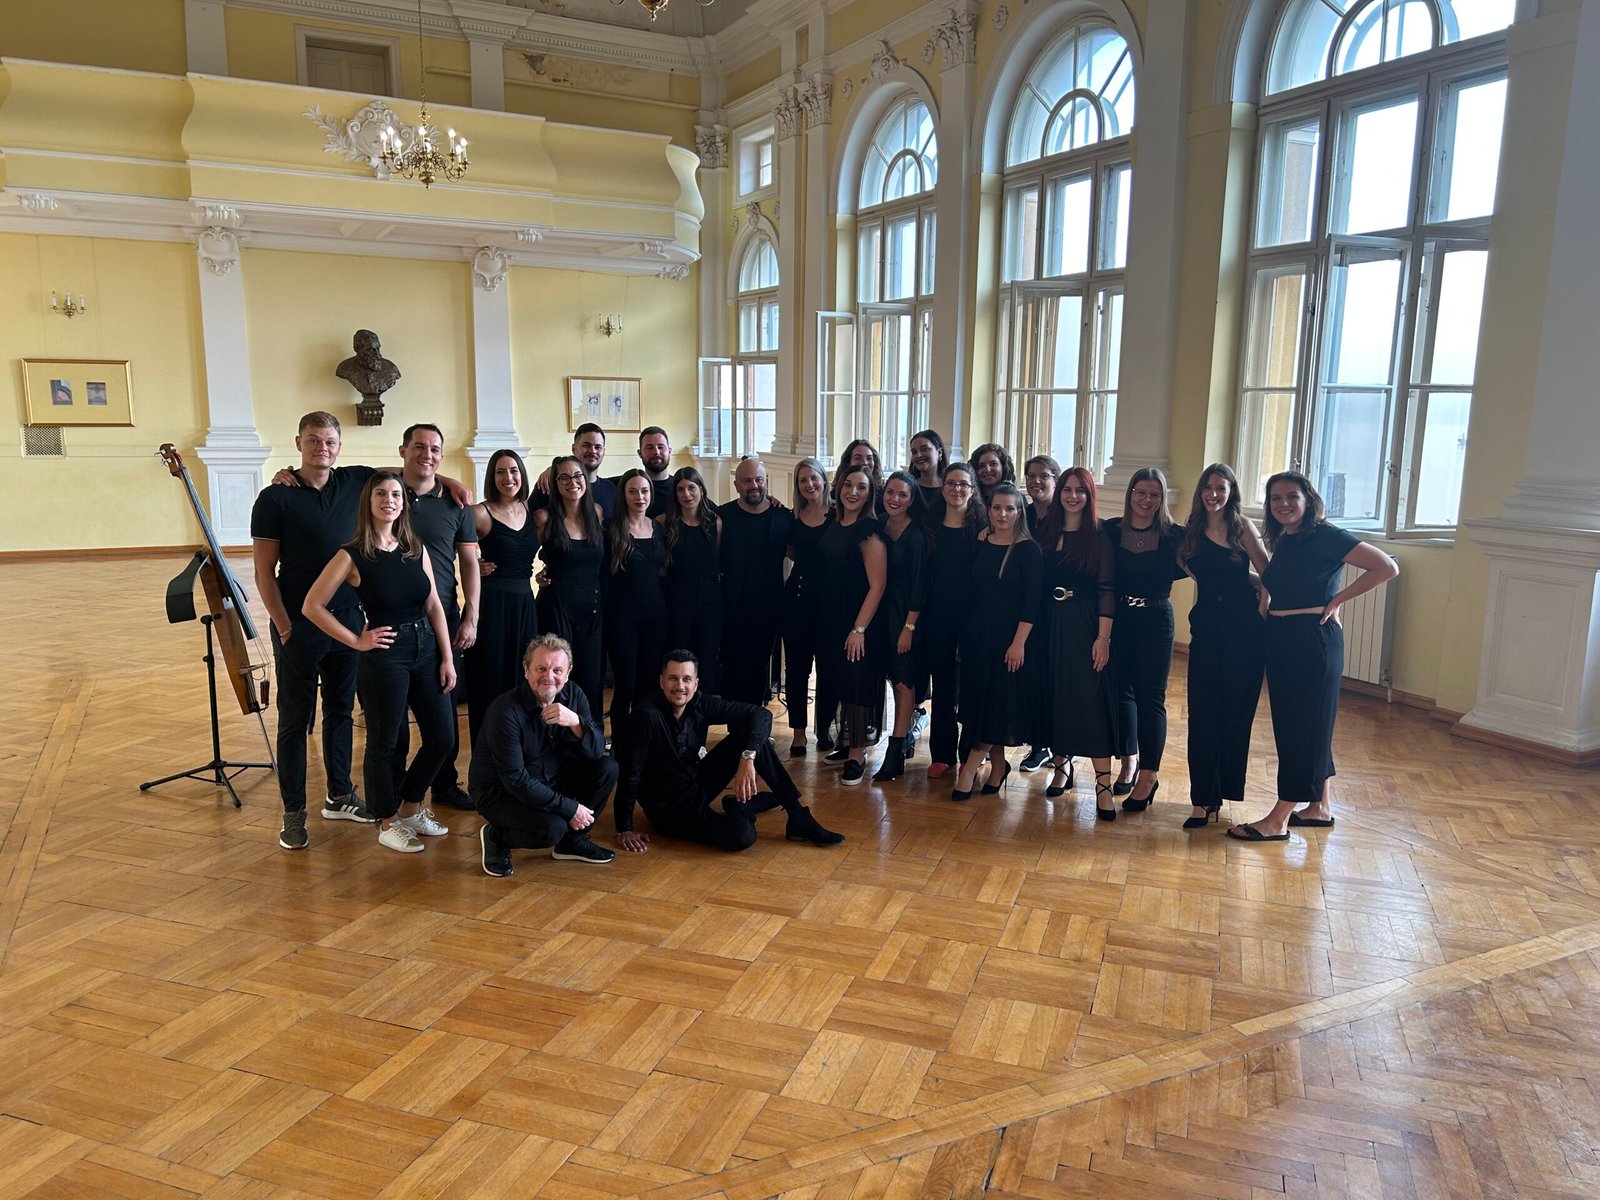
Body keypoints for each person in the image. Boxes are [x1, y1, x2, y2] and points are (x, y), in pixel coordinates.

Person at [1229, 472, 1398, 841]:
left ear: (1308, 499)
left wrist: (1338, 600)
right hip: (1282, 638)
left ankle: (1278, 818)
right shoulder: (1287, 539)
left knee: (1301, 727)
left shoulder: (1326, 535)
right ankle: (1319, 806)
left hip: (1311, 639)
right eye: (1276, 498)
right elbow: (1282, 584)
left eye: (1292, 496)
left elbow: (1386, 567)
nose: (1283, 504)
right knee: (1308, 723)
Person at [302, 472, 456, 853]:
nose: (389, 500)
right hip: (385, 654)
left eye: (396, 494)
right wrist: (356, 640)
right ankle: (387, 821)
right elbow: (312, 606)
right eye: (381, 494)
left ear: (403, 503)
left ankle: (410, 807)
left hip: (426, 647)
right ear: (368, 503)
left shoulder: (413, 547)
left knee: (442, 737)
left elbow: (434, 605)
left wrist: (447, 657)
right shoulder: (352, 555)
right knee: (384, 743)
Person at [250, 411, 376, 850]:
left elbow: (409, 472)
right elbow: (264, 571)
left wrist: (453, 482)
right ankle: (293, 812)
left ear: (339, 446)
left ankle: (339, 794)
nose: (322, 447)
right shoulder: (275, 497)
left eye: (329, 441)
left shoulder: (357, 481)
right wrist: (284, 626)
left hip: (347, 622)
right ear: (298, 443)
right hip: (298, 626)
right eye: (313, 440)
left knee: (340, 712)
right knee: (294, 720)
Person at [614, 651, 842, 853]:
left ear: (696, 683)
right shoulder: (646, 716)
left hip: (695, 784)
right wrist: (625, 828)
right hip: (671, 810)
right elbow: (629, 773)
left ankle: (798, 816)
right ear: (662, 681)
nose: (680, 686)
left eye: (686, 679)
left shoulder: (698, 703)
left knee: (751, 737)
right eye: (673, 678)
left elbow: (761, 715)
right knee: (742, 835)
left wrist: (747, 757)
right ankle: (742, 807)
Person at [472, 634, 619, 875]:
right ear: (526, 670)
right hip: (501, 792)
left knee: (607, 768)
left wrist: (576, 722)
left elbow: (596, 751)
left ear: (568, 673)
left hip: (549, 777)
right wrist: (570, 808)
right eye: (541, 668)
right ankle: (496, 836)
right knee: (551, 829)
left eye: (557, 670)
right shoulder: (505, 711)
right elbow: (515, 780)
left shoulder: (573, 695)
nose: (549, 677)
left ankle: (571, 842)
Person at [1178, 464, 1268, 829]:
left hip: (1244, 631)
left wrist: (1260, 612)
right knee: (1201, 713)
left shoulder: (1242, 527)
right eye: (1207, 487)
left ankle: (1223, 789)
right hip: (1206, 629)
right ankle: (1202, 799)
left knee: (1235, 711)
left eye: (1220, 488)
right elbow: (1195, 567)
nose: (1213, 494)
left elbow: (1268, 574)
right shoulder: (1192, 530)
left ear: (1231, 492)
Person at [396, 423, 480, 813]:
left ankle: (444, 784)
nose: (426, 455)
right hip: (392, 619)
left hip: (443, 618)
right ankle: (395, 791)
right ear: (402, 451)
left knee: (445, 709)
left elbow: (470, 562)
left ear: (442, 456)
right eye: (418, 447)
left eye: (434, 449)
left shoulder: (455, 505)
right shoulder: (383, 493)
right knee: (395, 719)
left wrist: (471, 616)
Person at [1035, 467, 1120, 819]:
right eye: (1067, 489)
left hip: (1085, 624)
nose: (1072, 496)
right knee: (1054, 696)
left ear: (1089, 495)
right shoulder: (1045, 530)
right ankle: (1061, 767)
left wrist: (1103, 638)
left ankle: (1103, 785)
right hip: (1048, 623)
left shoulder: (1098, 536)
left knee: (1090, 700)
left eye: (1080, 491)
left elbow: (1107, 590)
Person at [951, 483, 1042, 801]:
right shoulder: (983, 542)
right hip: (978, 635)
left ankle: (969, 769)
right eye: (997, 508)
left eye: (1010, 508)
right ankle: (999, 765)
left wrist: (1018, 644)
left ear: (1019, 513)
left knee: (996, 702)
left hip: (1009, 639)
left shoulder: (1028, 550)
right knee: (981, 701)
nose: (1003, 514)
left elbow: (1032, 603)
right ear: (988, 511)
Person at [1105, 468, 1184, 814]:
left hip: (1155, 621)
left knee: (1151, 698)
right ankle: (1128, 761)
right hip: (1118, 619)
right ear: (1130, 494)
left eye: (1154, 494)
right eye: (1141, 492)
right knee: (1120, 692)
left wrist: (1259, 582)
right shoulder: (1110, 530)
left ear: (1162, 498)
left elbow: (1214, 566)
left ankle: (1149, 775)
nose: (1147, 500)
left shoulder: (1175, 536)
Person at [816, 463, 888, 785]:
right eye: (848, 485)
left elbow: (878, 586)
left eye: (861, 487)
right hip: (831, 612)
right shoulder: (834, 521)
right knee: (839, 678)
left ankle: (858, 755)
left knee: (857, 681)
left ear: (870, 494)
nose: (853, 492)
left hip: (858, 617)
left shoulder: (868, 531)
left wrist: (859, 630)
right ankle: (846, 745)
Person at [464, 449, 539, 743]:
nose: (508, 477)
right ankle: (486, 752)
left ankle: (520, 749)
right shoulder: (479, 513)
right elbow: (449, 546)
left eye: (514, 470)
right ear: (491, 477)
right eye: (500, 471)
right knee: (489, 680)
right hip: (492, 606)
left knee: (525, 679)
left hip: (525, 605)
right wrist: (474, 565)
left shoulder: (533, 511)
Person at [532, 455, 606, 718]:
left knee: (592, 676)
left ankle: (591, 732)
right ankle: (556, 730)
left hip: (592, 608)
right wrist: (483, 563)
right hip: (556, 606)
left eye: (577, 476)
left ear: (585, 479)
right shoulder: (544, 517)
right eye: (563, 477)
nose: (572, 482)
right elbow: (518, 552)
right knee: (557, 676)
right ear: (554, 483)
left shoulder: (597, 512)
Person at [923, 461, 983, 778]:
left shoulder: (984, 527)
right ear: (943, 487)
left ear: (972, 490)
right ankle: (942, 754)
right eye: (951, 483)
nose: (957, 489)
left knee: (972, 684)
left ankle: (971, 753)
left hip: (974, 616)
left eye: (963, 484)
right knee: (943, 685)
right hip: (938, 614)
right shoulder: (930, 524)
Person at [719, 457, 793, 704]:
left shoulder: (782, 517)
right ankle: (735, 723)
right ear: (736, 485)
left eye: (759, 480)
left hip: (769, 609)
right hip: (731, 609)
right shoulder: (722, 516)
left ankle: (756, 723)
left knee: (760, 671)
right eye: (747, 481)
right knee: (732, 672)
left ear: (766, 481)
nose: (754, 485)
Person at [873, 471, 930, 783]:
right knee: (885, 676)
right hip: (878, 610)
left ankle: (895, 751)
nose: (895, 499)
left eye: (902, 495)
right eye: (890, 492)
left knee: (902, 680)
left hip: (905, 614)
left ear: (911, 500)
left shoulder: (916, 535)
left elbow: (921, 585)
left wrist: (909, 627)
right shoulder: (878, 523)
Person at [604, 468, 668, 734]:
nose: (639, 497)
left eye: (644, 491)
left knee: (649, 682)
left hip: (655, 616)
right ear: (624, 495)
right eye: (632, 491)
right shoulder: (611, 529)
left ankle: (644, 739)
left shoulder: (658, 527)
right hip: (622, 618)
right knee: (626, 683)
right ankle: (621, 742)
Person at [783, 457, 833, 757]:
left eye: (814, 478)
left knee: (828, 669)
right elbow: (791, 554)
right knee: (797, 669)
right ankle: (798, 732)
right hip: (798, 600)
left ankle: (824, 728)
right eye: (803, 480)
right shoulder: (792, 517)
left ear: (824, 480)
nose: (809, 484)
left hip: (830, 602)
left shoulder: (839, 514)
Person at [660, 466, 724, 692]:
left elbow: (715, 559)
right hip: (677, 600)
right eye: (680, 489)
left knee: (706, 661)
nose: (686, 494)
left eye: (691, 488)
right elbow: (661, 566)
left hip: (710, 602)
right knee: (676, 660)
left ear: (701, 490)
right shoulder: (664, 523)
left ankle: (701, 711)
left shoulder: (715, 522)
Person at [1018, 454, 1062, 774]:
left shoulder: (1065, 515)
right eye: (1031, 475)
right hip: (1027, 606)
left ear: (1055, 481)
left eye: (1044, 476)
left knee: (1057, 679)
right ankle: (1039, 745)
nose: (1036, 481)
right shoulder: (1024, 514)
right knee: (1033, 678)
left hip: (1059, 608)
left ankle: (1062, 747)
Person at [533, 424, 616, 518]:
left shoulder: (611, 489)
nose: (592, 451)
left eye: (598, 447)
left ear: (604, 451)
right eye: (586, 445)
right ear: (574, 449)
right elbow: (529, 520)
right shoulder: (548, 485)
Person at [608, 426, 674, 517]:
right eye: (649, 448)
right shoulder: (620, 485)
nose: (656, 452)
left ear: (669, 451)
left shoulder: (680, 488)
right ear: (640, 453)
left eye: (661, 447)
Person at [909, 430, 948, 512]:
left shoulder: (951, 487)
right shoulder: (908, 487)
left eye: (924, 449)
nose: (918, 455)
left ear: (939, 452)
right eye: (914, 452)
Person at [971, 443, 1015, 508]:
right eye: (981, 466)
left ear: (1003, 467)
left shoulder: (1016, 498)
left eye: (993, 464)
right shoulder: (969, 500)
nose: (987, 469)